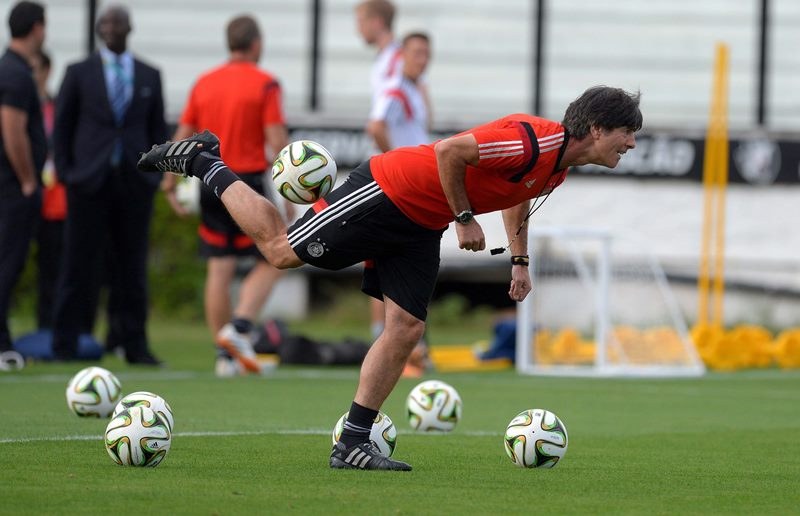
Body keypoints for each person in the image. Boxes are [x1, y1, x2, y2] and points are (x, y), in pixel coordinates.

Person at [139, 85, 642, 470]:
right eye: (627, 132)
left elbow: (517, 195)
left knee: (406, 328)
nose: (632, 143)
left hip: (421, 223)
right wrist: (465, 218)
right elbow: (450, 152)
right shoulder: (534, 138)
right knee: (280, 252)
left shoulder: (556, 166)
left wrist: (520, 261)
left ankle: (353, 442)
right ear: (598, 128)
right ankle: (203, 161)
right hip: (388, 190)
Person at [161, 15, 289, 376]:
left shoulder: (205, 82)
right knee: (279, 253)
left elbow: (182, 136)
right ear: (256, 44)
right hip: (245, 184)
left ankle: (224, 357)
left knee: (219, 267)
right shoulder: (265, 83)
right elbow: (277, 141)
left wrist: (168, 183)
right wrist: (290, 197)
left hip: (209, 180)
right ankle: (241, 326)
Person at [51, 4, 168, 364]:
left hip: (134, 183)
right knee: (78, 264)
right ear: (99, 30)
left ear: (129, 28)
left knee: (131, 267)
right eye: (105, 23)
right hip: (88, 182)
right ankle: (67, 343)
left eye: (117, 23)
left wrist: (155, 176)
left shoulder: (149, 74)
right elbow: (63, 126)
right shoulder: (78, 72)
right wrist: (67, 173)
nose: (111, 28)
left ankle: (132, 343)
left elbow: (157, 130)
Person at [365, 31, 434, 376]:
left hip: (414, 188)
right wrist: (398, 164)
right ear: (402, 54)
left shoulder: (414, 90)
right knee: (389, 263)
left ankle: (410, 347)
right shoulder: (395, 89)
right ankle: (389, 344)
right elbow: (376, 126)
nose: (423, 59)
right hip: (399, 188)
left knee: (404, 261)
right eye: (417, 52)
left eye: (427, 53)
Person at [0, 1, 47, 367]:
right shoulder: (15, 73)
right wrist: (29, 180)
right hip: (13, 187)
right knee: (7, 263)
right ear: (36, 28)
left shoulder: (10, 68)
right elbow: (12, 129)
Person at [31, 50, 67, 330]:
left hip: (55, 199)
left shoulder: (57, 107)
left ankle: (53, 325)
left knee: (54, 264)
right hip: (26, 194)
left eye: (37, 70)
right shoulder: (16, 104)